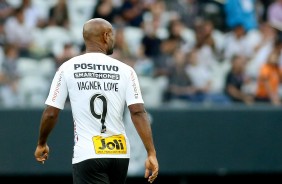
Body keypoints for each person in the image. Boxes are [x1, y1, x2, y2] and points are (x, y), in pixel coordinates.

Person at [34, 18, 158, 184]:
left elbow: (51, 113)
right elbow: (138, 111)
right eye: (112, 34)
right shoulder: (126, 70)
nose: (114, 38)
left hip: (88, 154)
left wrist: (42, 143)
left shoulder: (68, 68)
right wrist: (151, 153)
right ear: (106, 36)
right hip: (119, 155)